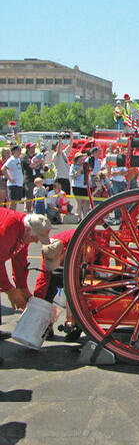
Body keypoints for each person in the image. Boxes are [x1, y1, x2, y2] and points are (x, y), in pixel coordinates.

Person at [0, 209, 53, 345]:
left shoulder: (24, 232)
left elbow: (19, 260)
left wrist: (22, 287)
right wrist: (9, 290)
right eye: (36, 238)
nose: (36, 242)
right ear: (28, 230)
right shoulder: (7, 229)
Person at [3, 145, 25, 212]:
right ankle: (9, 218)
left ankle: (12, 217)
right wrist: (9, 179)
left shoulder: (18, 159)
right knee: (12, 204)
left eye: (20, 150)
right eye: (18, 150)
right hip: (13, 185)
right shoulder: (11, 160)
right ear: (13, 151)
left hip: (19, 184)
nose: (20, 152)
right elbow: (3, 169)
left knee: (15, 204)